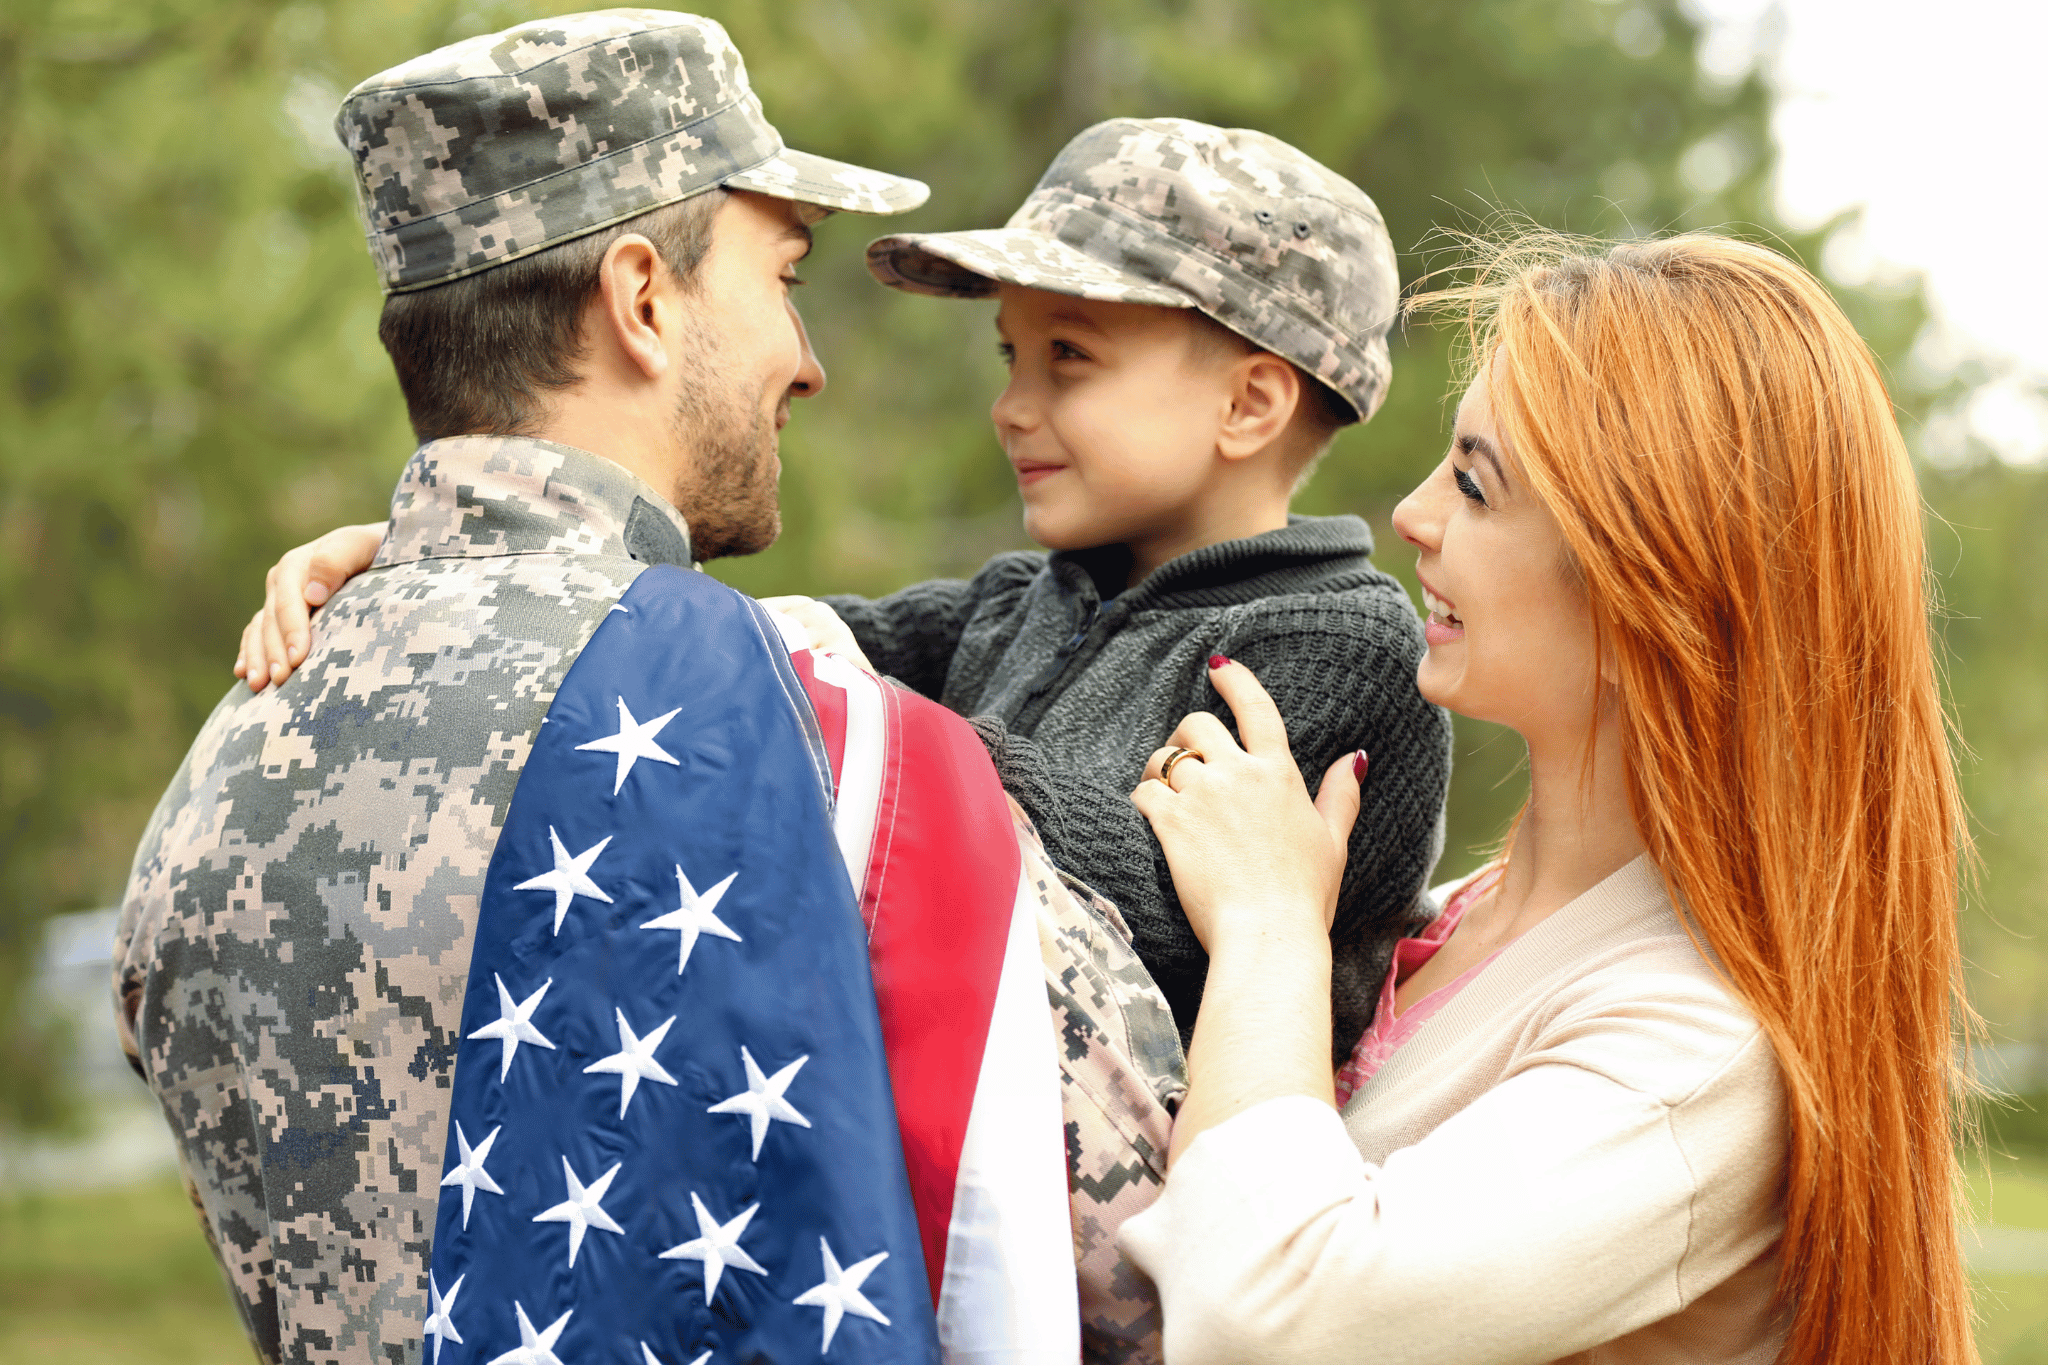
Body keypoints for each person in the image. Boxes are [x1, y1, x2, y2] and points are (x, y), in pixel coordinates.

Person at [112, 13, 1182, 1362]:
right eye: (783, 275)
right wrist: (1272, 930)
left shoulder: (219, 779)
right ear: (642, 300)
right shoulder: (814, 752)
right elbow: (1172, 1277)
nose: (808, 358)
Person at [235, 117, 1456, 1063]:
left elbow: (1162, 915)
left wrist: (900, 745)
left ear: (1249, 403)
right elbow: (751, 642)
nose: (1010, 405)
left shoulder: (1335, 642)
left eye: (1068, 358)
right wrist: (490, 549)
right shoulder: (1019, 601)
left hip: (1174, 1219)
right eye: (1010, 355)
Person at [1117, 232, 1977, 1362]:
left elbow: (1270, 1322)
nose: (1413, 515)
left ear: (1652, 590)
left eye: (1474, 486)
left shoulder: (1695, 1051)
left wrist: (1269, 925)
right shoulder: (1467, 919)